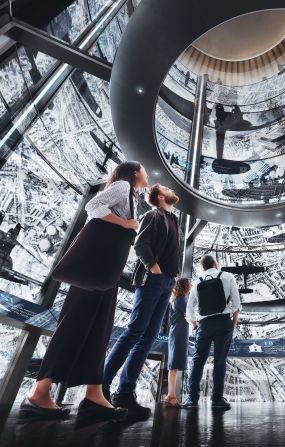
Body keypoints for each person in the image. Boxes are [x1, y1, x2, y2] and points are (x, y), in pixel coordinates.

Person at [22, 161, 148, 421]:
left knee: (99, 330)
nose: (147, 174)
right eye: (144, 170)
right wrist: (124, 225)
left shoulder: (133, 196)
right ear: (135, 173)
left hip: (106, 271)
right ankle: (39, 393)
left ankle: (94, 394)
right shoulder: (123, 186)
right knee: (75, 323)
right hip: (95, 270)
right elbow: (93, 206)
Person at [103, 184, 180, 419]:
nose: (170, 189)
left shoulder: (173, 220)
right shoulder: (152, 215)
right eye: (165, 188)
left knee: (147, 338)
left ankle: (125, 392)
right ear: (159, 196)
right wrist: (154, 268)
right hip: (152, 279)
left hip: (166, 282)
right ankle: (100, 387)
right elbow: (140, 244)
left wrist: (172, 277)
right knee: (135, 332)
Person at [182, 255, 241, 410]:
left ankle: (192, 399)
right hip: (223, 323)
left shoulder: (197, 281)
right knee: (220, 361)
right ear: (216, 264)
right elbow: (236, 304)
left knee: (198, 360)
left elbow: (189, 310)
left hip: (204, 325)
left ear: (202, 267)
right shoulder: (228, 276)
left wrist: (195, 325)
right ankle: (217, 399)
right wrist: (232, 324)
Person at [166, 277, 192, 407]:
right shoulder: (182, 300)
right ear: (186, 286)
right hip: (178, 335)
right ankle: (171, 396)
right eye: (190, 284)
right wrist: (195, 324)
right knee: (174, 366)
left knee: (174, 366)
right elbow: (189, 315)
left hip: (177, 333)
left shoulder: (177, 299)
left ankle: (170, 395)